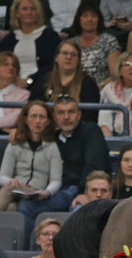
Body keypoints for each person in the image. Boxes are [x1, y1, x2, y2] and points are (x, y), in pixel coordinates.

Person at [16, 95, 111, 228]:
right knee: (26, 206)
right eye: (61, 113)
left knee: (80, 211)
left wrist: (84, 192)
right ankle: (31, 248)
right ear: (54, 117)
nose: (66, 117)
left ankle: (74, 249)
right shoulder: (50, 137)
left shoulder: (91, 131)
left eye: (71, 112)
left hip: (78, 189)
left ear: (79, 115)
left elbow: (94, 165)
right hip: (54, 191)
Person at [0, 101, 61, 246]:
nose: (38, 121)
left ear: (47, 121)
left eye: (42, 117)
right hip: (15, 188)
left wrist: (48, 192)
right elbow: (2, 175)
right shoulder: (15, 143)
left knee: (7, 191)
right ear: (26, 119)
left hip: (36, 191)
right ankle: (16, 247)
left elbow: (56, 179)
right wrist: (10, 181)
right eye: (34, 116)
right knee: (11, 208)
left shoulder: (52, 147)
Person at [29, 40, 100, 123]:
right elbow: (32, 107)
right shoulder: (44, 80)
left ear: (78, 60)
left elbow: (90, 116)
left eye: (73, 55)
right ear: (56, 58)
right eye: (65, 53)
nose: (69, 57)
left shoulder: (88, 84)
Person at [0, 0, 61, 87]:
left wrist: (29, 80)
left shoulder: (50, 36)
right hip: (10, 85)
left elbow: (54, 65)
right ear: (16, 13)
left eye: (33, 9)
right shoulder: (8, 40)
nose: (29, 12)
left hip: (41, 84)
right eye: (24, 9)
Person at [70, 1, 122, 87]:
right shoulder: (72, 44)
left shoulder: (109, 41)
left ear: (99, 19)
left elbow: (116, 75)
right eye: (85, 15)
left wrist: (100, 86)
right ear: (78, 19)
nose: (89, 19)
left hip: (103, 89)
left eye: (93, 16)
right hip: (75, 89)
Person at [0, 52, 30, 134]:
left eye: (14, 65)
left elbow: (16, 117)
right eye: (6, 64)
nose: (11, 68)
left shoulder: (24, 94)